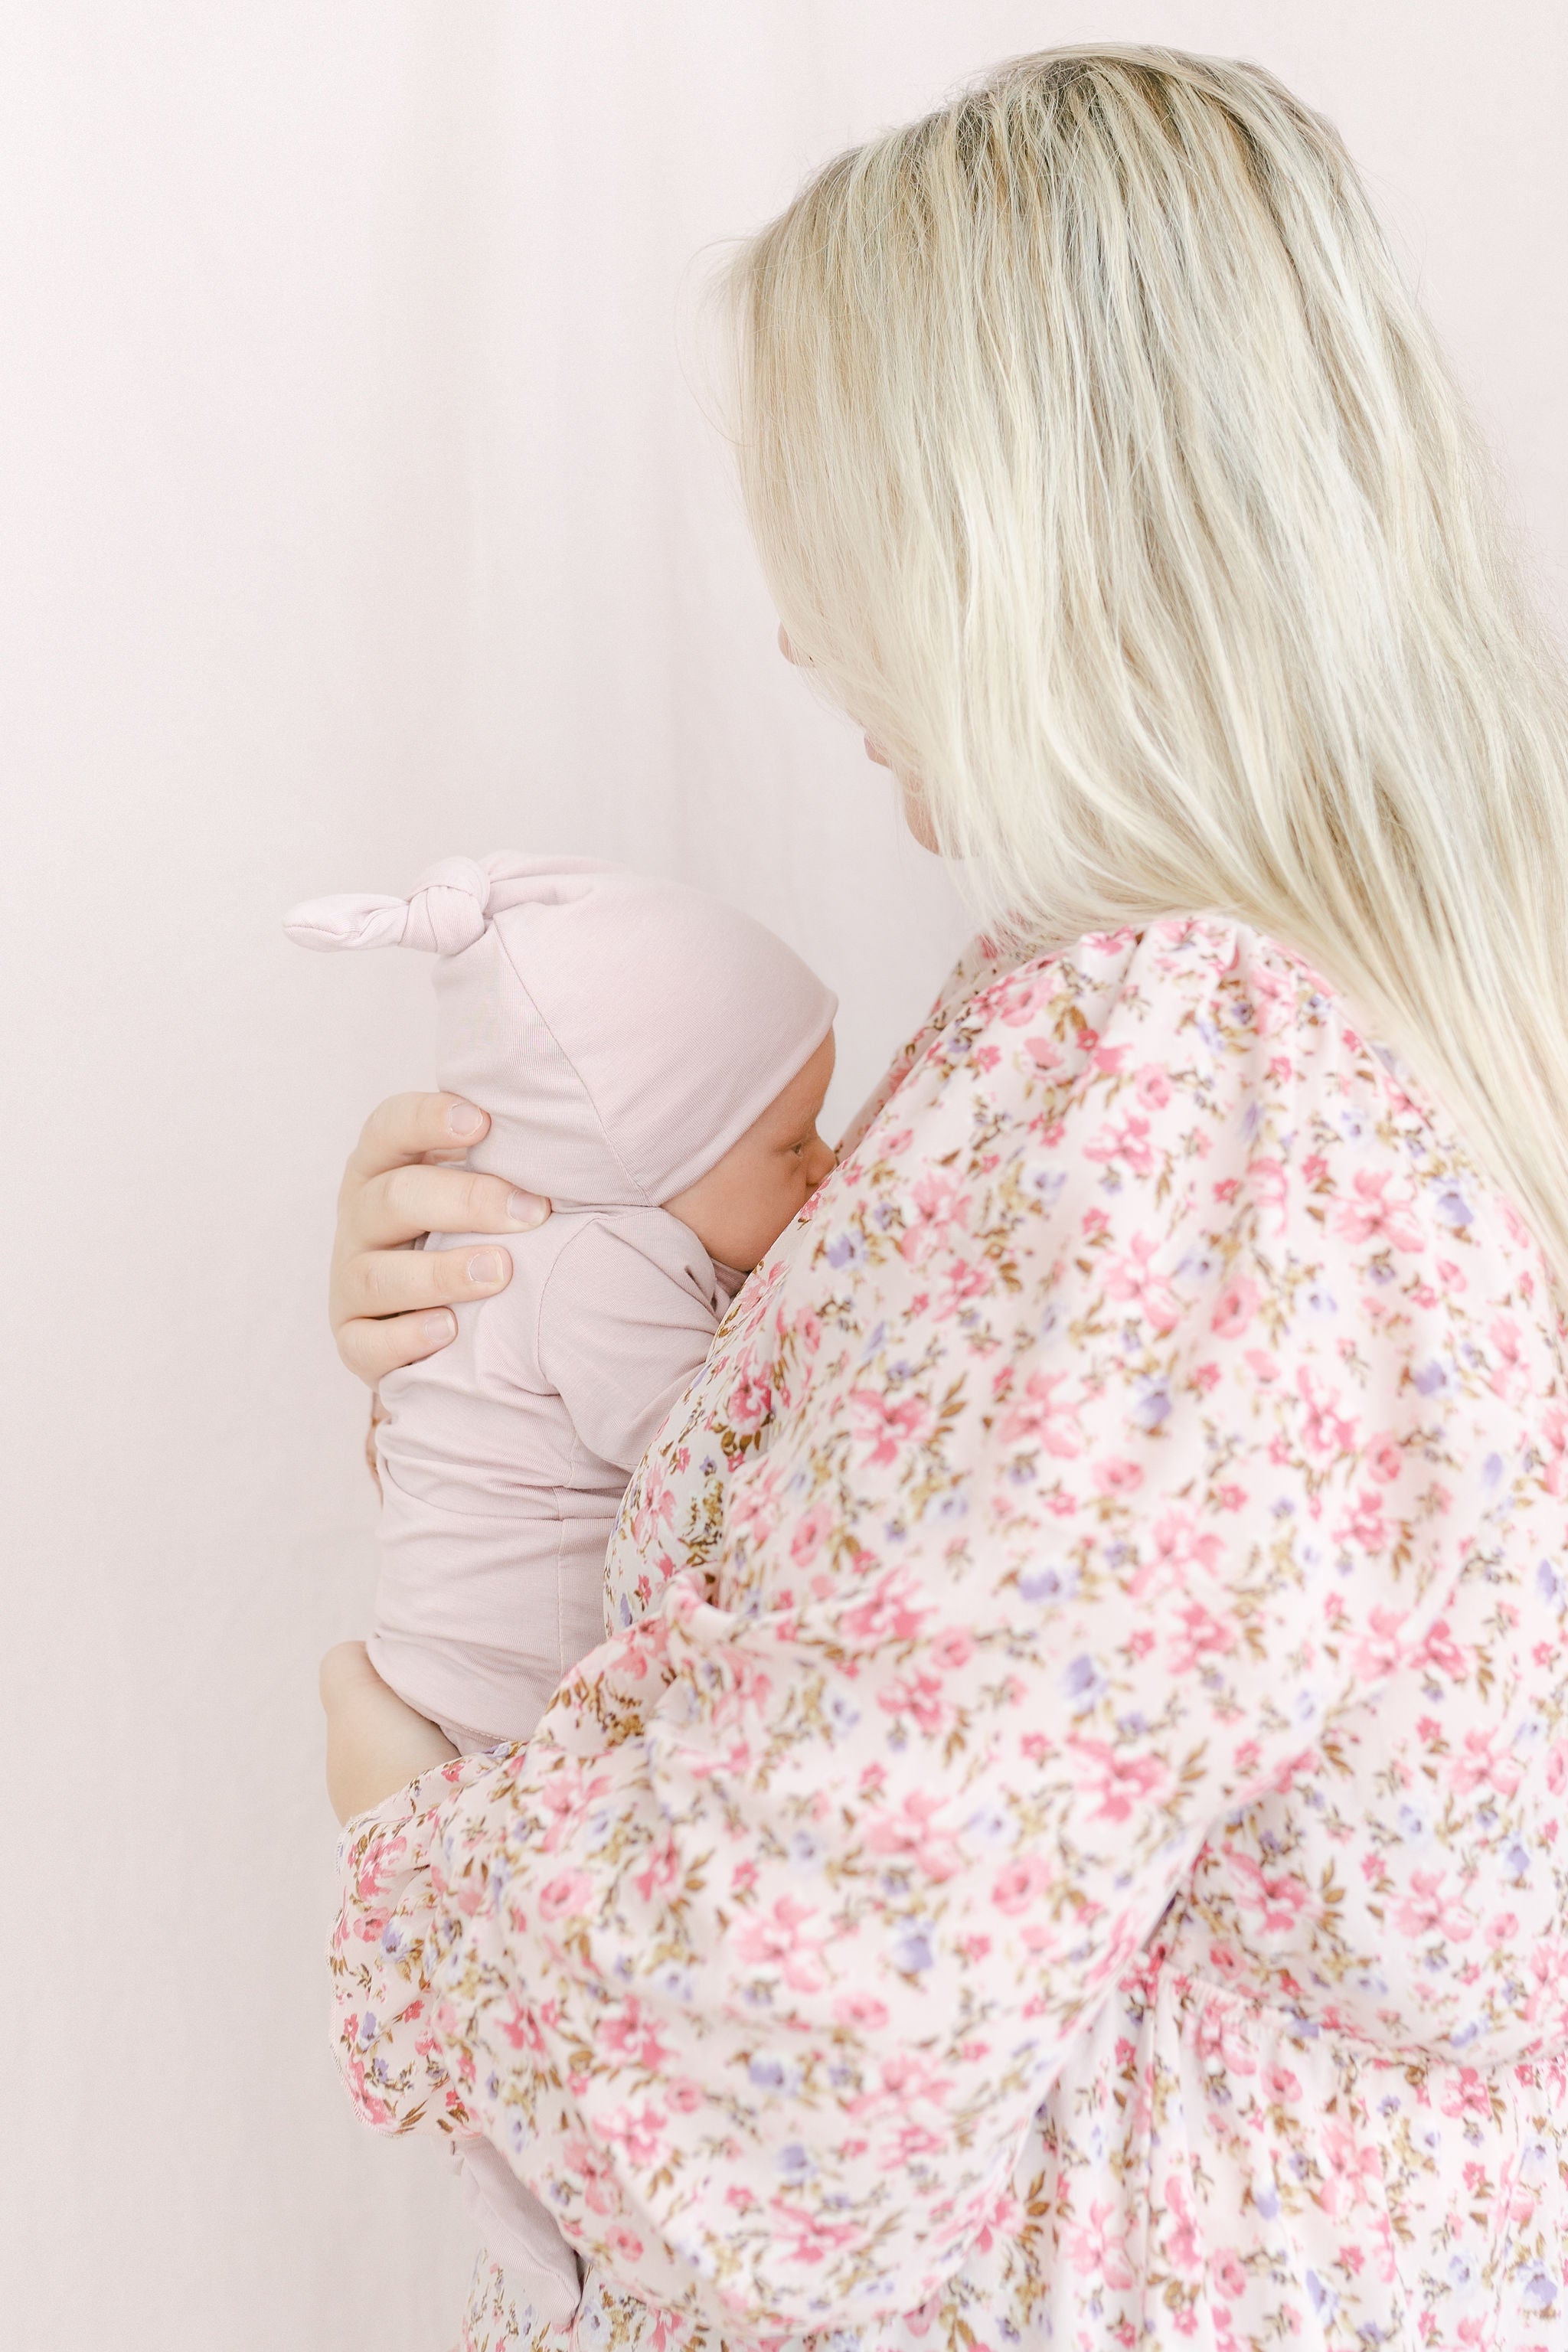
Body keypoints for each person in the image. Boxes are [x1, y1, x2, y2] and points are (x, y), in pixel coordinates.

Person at [318, 47, 1568, 2351]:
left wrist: (415, 1842)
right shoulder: (1274, 1056)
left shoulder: (1182, 1093)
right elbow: (913, 1694)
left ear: (1012, 536)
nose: (802, 642)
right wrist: (535, 1322)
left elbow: (806, 2037)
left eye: (839, 536)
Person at [289, 852, 835, 2313]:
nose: (829, 1172)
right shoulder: (613, 1270)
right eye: (791, 1150)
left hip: (447, 1673)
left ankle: (544, 2270)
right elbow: (714, 1464)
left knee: (506, 2046)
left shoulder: (540, 1241)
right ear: (646, 1161)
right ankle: (556, 2273)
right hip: (508, 1692)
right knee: (528, 2017)